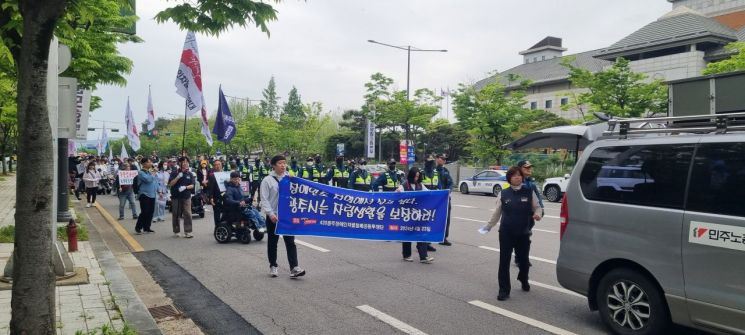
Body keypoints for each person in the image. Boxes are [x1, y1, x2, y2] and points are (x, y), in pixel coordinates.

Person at [481, 166, 542, 301]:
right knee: (504, 261)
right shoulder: (503, 193)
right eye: (514, 175)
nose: (517, 177)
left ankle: (523, 278)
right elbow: (497, 213)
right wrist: (488, 226)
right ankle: (504, 290)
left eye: (519, 175)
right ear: (509, 178)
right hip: (506, 232)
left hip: (523, 232)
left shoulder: (529, 191)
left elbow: (537, 207)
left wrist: (538, 215)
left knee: (524, 261)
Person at [260, 155, 305, 278]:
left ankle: (294, 267)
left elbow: (297, 194)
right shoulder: (267, 180)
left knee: (290, 242)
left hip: (287, 216)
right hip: (273, 216)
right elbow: (264, 199)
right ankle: (273, 266)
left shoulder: (290, 178)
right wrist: (270, 213)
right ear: (273, 165)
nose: (283, 165)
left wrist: (294, 181)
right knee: (273, 242)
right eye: (280, 163)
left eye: (284, 163)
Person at [397, 167, 434, 263]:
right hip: (407, 215)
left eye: (418, 176)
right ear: (411, 176)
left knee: (422, 233)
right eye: (415, 176)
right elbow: (396, 194)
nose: (416, 178)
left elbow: (430, 193)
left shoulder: (420, 185)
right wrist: (398, 192)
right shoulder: (404, 185)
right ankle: (406, 255)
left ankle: (423, 256)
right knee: (407, 234)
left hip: (418, 214)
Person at [516, 160, 544, 267]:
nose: (529, 169)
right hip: (518, 215)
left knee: (526, 237)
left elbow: (537, 197)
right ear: (519, 169)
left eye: (530, 167)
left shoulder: (530, 183)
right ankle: (521, 258)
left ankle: (521, 257)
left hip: (529, 215)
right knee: (523, 237)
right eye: (526, 167)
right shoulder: (516, 181)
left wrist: (541, 209)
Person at [168, 156, 196, 238]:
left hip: (186, 196)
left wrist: (185, 187)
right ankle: (176, 231)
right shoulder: (174, 173)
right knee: (176, 214)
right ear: (179, 163)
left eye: (187, 162)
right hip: (176, 196)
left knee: (187, 213)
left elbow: (192, 185)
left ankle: (188, 231)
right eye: (183, 162)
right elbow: (170, 184)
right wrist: (177, 177)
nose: (185, 164)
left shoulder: (190, 174)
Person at [134, 157, 158, 234]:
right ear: (144, 164)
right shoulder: (141, 172)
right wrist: (154, 173)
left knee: (151, 212)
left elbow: (154, 181)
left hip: (152, 194)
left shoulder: (150, 172)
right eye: (149, 162)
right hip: (144, 194)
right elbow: (148, 180)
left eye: (151, 162)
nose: (151, 163)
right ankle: (138, 227)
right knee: (145, 211)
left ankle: (147, 227)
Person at [435, 154, 454, 246]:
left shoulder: (445, 171)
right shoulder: (431, 170)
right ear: (437, 159)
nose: (444, 160)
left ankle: (443, 238)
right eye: (442, 159)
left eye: (445, 159)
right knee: (430, 218)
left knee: (446, 218)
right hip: (433, 199)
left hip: (445, 198)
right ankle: (427, 239)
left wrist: (448, 191)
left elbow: (450, 183)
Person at [207, 159, 225, 225]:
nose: (217, 166)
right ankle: (217, 228)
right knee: (217, 214)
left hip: (225, 197)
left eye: (219, 164)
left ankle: (224, 227)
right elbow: (210, 188)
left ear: (221, 165)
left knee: (226, 213)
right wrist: (211, 197)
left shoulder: (226, 174)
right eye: (215, 165)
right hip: (216, 197)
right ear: (214, 167)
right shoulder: (212, 176)